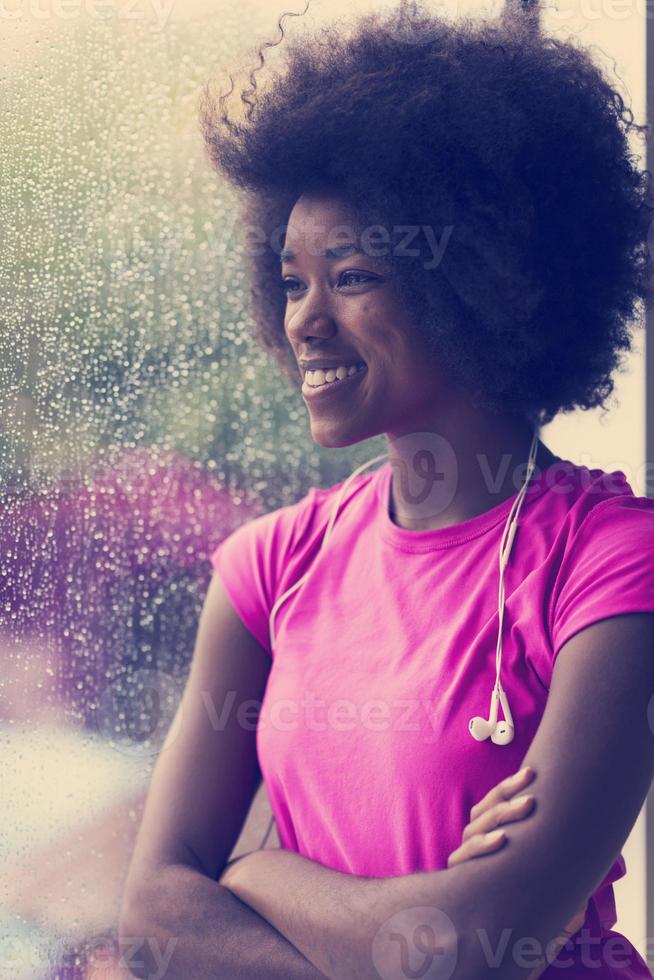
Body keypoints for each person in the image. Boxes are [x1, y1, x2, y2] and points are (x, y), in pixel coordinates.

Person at [119, 3, 654, 978]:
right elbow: (154, 916)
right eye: (290, 283)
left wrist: (254, 869)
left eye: (352, 275)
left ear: (486, 282)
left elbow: (464, 950)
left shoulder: (614, 561)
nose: (305, 323)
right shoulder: (268, 566)